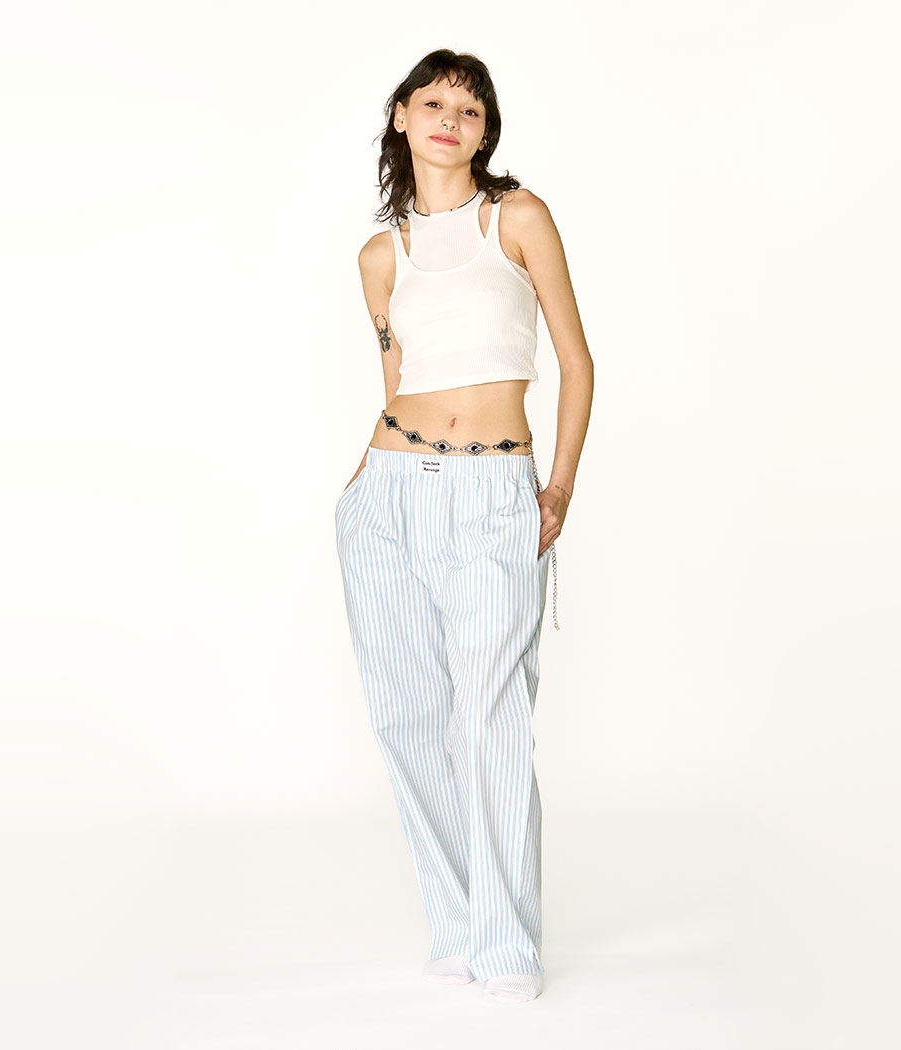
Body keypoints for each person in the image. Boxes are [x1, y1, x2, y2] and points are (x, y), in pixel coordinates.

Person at [334, 48, 593, 1005]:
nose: (451, 119)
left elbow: (576, 360)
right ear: (402, 115)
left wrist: (556, 489)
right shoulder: (380, 256)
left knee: (492, 717)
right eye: (435, 102)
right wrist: (362, 485)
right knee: (406, 715)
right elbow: (395, 378)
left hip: (494, 490)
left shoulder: (516, 219)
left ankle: (508, 942)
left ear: (486, 133)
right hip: (388, 493)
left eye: (471, 110)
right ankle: (457, 923)